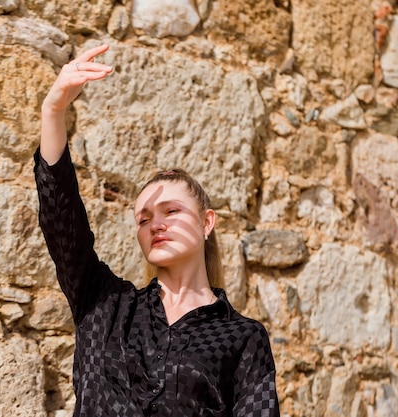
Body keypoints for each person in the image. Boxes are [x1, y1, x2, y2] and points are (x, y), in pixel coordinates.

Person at [34, 44, 280, 417]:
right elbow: (62, 222)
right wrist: (53, 111)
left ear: (207, 222)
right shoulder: (104, 304)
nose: (156, 224)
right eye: (144, 218)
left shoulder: (243, 337)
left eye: (171, 211)